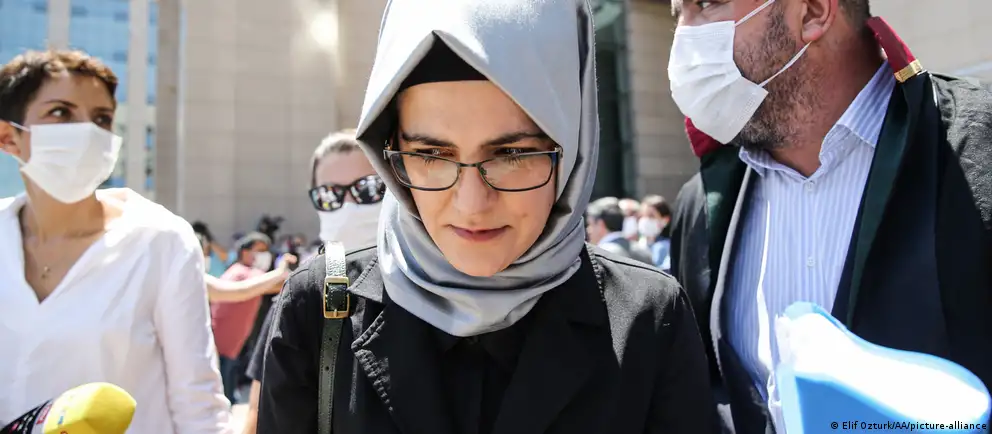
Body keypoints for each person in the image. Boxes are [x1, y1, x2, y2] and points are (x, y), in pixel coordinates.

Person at [257, 1, 716, 433]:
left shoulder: (648, 318)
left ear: (573, 148)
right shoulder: (319, 310)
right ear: (389, 149)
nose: (472, 204)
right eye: (432, 155)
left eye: (512, 154)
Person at [667, 0, 992, 432]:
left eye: (707, 4)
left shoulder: (977, 149)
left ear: (814, 11)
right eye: (677, 15)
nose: (683, 38)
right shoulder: (703, 204)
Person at [0, 50, 231, 432]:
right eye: (61, 112)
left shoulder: (160, 242)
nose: (87, 132)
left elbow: (198, 401)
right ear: (9, 137)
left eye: (102, 118)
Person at [239, 129, 386, 434]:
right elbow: (258, 415)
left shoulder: (436, 287)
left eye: (368, 188)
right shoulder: (301, 297)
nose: (349, 205)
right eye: (330, 195)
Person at [211, 231, 272, 404]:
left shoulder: (240, 271)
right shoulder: (242, 274)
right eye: (259, 250)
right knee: (223, 394)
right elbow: (274, 283)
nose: (264, 255)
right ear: (245, 252)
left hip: (231, 343)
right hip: (223, 343)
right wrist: (284, 269)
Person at [586, 196, 653, 264]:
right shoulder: (643, 250)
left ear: (601, 224)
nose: (588, 230)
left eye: (590, 224)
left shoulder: (600, 255)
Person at [638, 195, 672, 272]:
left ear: (665, 220)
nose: (645, 220)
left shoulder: (665, 247)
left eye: (651, 216)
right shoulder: (640, 243)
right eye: (642, 215)